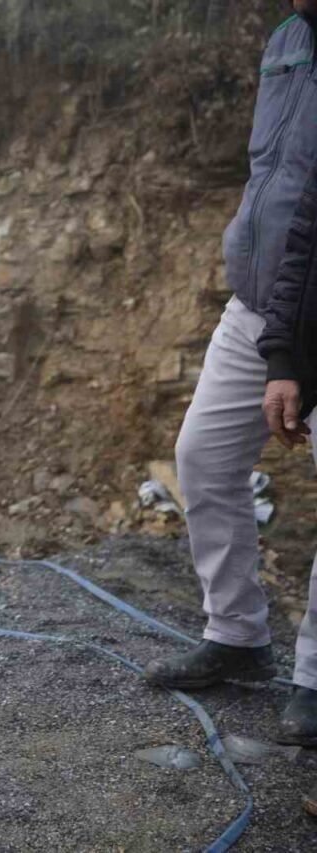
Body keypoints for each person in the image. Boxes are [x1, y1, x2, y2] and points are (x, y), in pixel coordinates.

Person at [143, 1, 317, 814]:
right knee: (203, 459)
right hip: (258, 303)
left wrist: (288, 354)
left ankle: (313, 678)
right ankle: (238, 636)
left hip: (304, 318)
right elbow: (277, 178)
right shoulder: (289, 39)